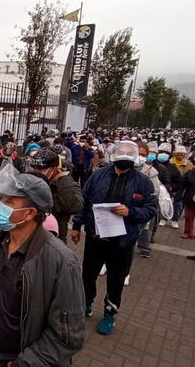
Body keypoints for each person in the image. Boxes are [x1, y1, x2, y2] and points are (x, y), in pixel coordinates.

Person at [0, 173, 85, 366]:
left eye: (8, 201)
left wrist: (23, 364)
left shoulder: (61, 262)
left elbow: (68, 336)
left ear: (30, 213)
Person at [72, 141, 157, 335]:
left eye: (129, 152)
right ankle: (85, 304)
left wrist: (131, 211)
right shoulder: (98, 175)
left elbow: (151, 209)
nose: (125, 155)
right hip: (96, 236)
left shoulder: (143, 182)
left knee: (116, 279)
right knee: (88, 274)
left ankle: (110, 314)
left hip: (123, 241)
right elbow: (84, 201)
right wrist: (77, 225)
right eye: (122, 152)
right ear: (115, 155)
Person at [27, 148, 83, 243]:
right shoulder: (31, 182)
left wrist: (62, 180)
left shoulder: (66, 184)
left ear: (54, 169)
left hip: (54, 237)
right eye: (34, 168)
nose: (36, 171)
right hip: (29, 234)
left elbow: (76, 207)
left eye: (41, 169)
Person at [157, 142, 183, 229]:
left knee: (170, 205)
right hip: (154, 191)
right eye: (161, 152)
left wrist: (171, 188)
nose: (163, 154)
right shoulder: (152, 165)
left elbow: (178, 181)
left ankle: (172, 220)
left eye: (166, 153)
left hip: (167, 191)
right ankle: (162, 218)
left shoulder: (173, 167)